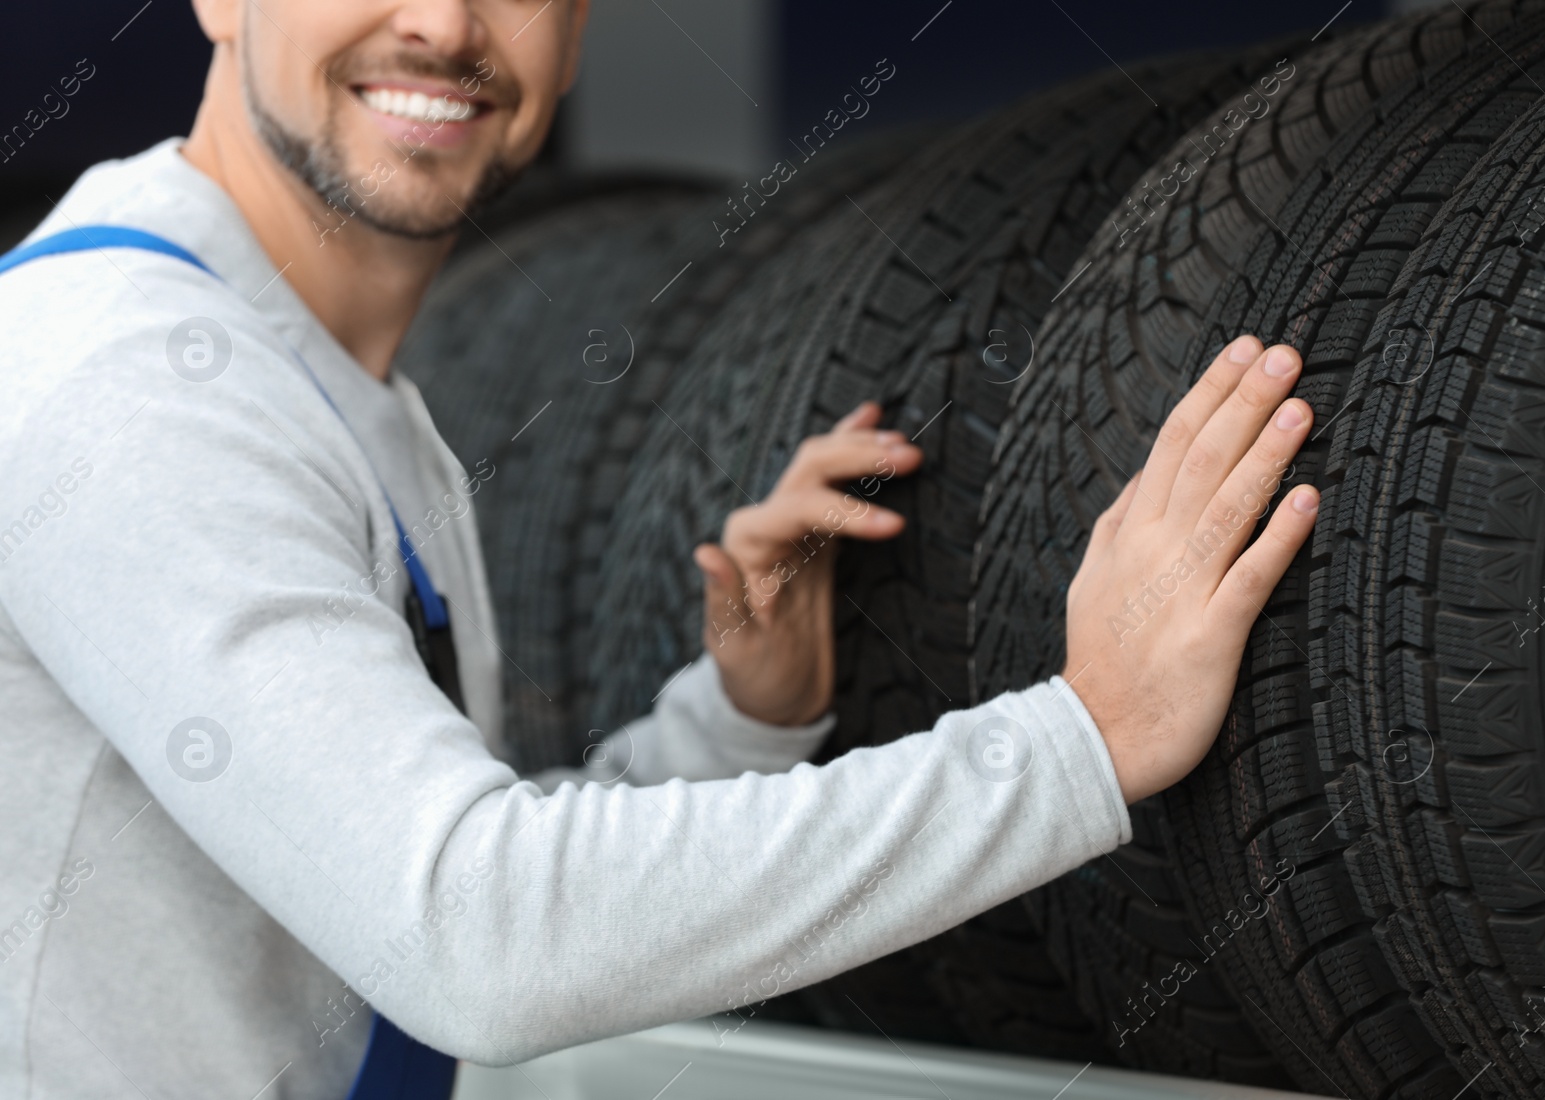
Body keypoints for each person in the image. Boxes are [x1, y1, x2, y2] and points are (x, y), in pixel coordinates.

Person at [0, 0, 1318, 1096]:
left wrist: (738, 720)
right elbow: (470, 931)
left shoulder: (338, 397)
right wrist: (1087, 738)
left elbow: (390, 889)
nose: (449, 24)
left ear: (574, 38)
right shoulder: (132, 381)